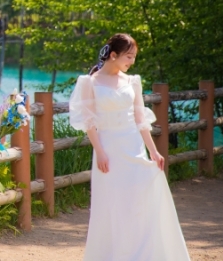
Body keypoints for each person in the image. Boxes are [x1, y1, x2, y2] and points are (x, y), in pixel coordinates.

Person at [69, 33, 190, 261]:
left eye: (133, 57)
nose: (131, 62)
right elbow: (89, 123)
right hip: (108, 149)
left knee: (140, 200)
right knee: (113, 204)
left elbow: (140, 119)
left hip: (133, 146)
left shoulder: (132, 81)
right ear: (113, 55)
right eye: (129, 56)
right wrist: (100, 152)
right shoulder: (90, 82)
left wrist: (153, 151)